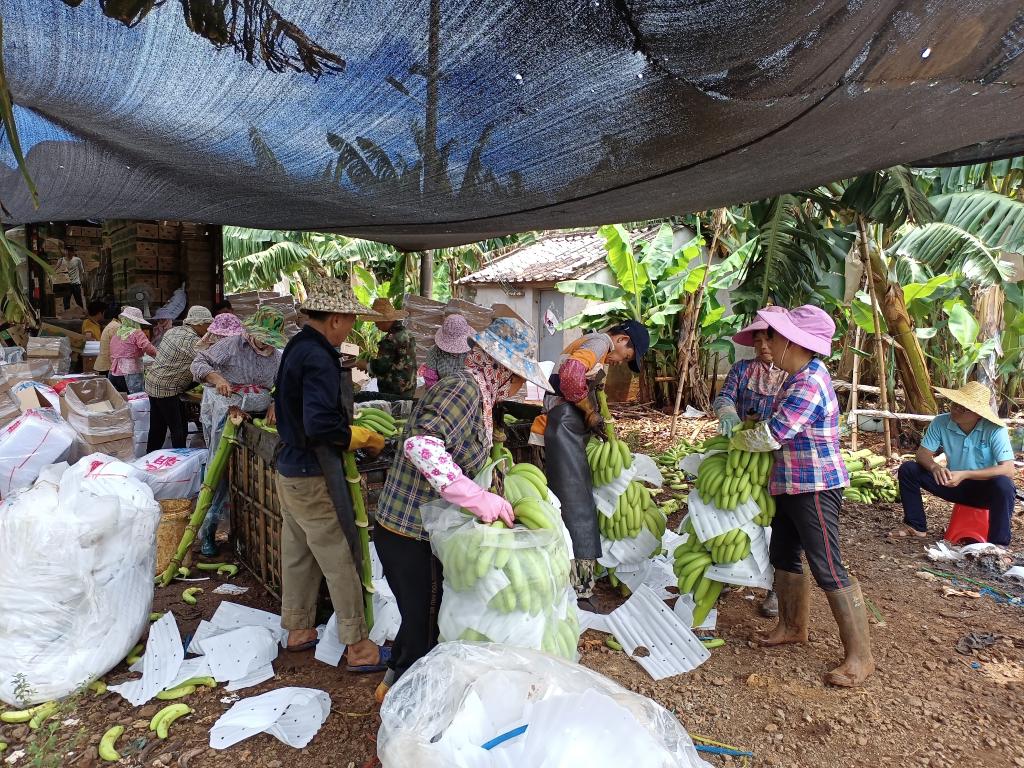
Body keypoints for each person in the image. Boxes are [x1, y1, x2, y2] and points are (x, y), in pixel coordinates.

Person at [374, 316, 553, 702]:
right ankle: (407, 710)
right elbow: (422, 445)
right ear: (500, 368)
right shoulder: (463, 389)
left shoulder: (479, 394)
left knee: (420, 616)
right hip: (408, 532)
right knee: (425, 622)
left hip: (418, 528)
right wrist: (475, 496)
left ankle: (392, 681)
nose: (520, 385)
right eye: (518, 376)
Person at [729, 305, 873, 688]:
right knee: (784, 555)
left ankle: (861, 656)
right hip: (789, 483)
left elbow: (773, 434)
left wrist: (734, 439)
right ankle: (792, 626)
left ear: (791, 341)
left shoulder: (810, 380)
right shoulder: (793, 379)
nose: (767, 343)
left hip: (815, 486)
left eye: (772, 336)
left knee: (827, 564)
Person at [273, 276, 389, 669]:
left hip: (288, 467)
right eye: (351, 320)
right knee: (338, 554)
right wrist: (359, 437)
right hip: (310, 471)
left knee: (299, 551)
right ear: (336, 319)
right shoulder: (318, 356)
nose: (352, 328)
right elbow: (321, 424)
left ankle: (299, 629)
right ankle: (357, 645)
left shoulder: (297, 346)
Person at [536, 321, 649, 599]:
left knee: (573, 499)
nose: (620, 361)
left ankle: (571, 576)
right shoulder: (600, 342)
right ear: (622, 340)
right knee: (578, 504)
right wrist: (588, 411)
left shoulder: (591, 343)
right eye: (626, 356)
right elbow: (572, 377)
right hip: (564, 425)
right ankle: (581, 585)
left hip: (565, 426)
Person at [191, 306, 285, 555]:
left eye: (270, 340)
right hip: (226, 410)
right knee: (218, 470)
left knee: (250, 472)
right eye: (262, 336)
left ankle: (244, 530)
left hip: (256, 415)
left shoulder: (276, 357)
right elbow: (200, 362)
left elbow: (282, 385)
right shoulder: (232, 345)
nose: (265, 343)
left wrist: (277, 402)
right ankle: (208, 532)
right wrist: (217, 379)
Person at [714, 307, 787, 617]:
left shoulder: (792, 373)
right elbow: (724, 396)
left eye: (769, 341)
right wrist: (728, 412)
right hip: (741, 451)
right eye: (758, 341)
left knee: (773, 522)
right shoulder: (742, 370)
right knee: (732, 514)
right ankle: (727, 573)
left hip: (776, 454)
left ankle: (775, 588)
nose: (763, 348)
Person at [892, 381, 1016, 545]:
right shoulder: (941, 422)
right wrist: (934, 467)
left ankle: (998, 545)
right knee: (909, 469)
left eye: (963, 408)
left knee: (1004, 484)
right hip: (951, 484)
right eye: (955, 404)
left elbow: (1008, 469)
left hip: (984, 491)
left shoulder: (995, 430)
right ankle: (916, 526)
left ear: (978, 414)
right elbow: (922, 454)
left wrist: (965, 474)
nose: (956, 410)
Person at [144, 306, 213, 453]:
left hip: (153, 382)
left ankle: (148, 458)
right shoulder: (192, 341)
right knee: (179, 429)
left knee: (158, 426)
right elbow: (209, 363)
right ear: (199, 323)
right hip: (166, 388)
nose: (209, 329)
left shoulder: (174, 330)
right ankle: (180, 460)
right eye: (208, 325)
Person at [356, 298, 416, 398]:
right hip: (409, 387)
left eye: (377, 321)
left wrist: (365, 365)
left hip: (393, 390)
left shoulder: (390, 339)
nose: (375, 324)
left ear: (385, 320)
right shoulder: (407, 333)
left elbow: (382, 366)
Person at [109, 306, 157, 394]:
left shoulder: (117, 333)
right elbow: (148, 347)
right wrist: (159, 354)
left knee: (122, 401)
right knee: (136, 400)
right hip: (130, 373)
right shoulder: (137, 333)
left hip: (114, 372)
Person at [422, 313, 473, 389]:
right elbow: (430, 380)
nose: (456, 351)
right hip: (442, 391)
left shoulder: (473, 352)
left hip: (467, 390)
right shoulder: (434, 352)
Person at [94, 304, 122, 389]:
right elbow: (119, 346)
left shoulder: (113, 324)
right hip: (107, 365)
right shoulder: (116, 326)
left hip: (106, 364)